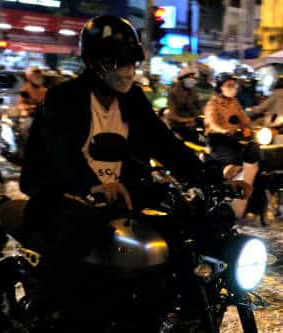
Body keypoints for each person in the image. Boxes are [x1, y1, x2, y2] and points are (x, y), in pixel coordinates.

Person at [19, 15, 243, 263]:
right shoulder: (64, 99)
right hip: (65, 198)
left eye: (131, 62)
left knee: (186, 228)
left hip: (122, 196)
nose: (127, 70)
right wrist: (90, 185)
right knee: (70, 270)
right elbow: (61, 153)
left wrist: (214, 178)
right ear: (94, 62)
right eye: (118, 62)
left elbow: (165, 144)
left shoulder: (133, 98)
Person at [204, 72, 256, 218]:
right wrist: (224, 131)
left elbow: (244, 119)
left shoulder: (234, 102)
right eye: (229, 85)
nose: (232, 88)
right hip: (218, 138)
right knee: (232, 160)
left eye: (233, 85)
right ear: (220, 87)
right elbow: (211, 123)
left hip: (233, 138)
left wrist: (251, 128)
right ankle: (219, 188)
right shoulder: (213, 103)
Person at [166, 67, 201, 140]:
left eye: (193, 78)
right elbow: (172, 113)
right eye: (189, 78)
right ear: (182, 80)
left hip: (192, 126)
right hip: (177, 126)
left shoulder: (193, 92)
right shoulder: (173, 92)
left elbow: (198, 107)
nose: (192, 80)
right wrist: (186, 120)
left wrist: (196, 117)